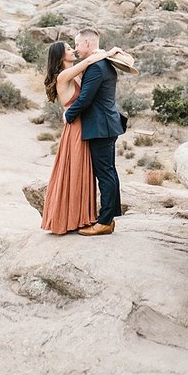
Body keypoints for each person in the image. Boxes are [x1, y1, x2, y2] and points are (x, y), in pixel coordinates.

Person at [40, 40, 113, 234]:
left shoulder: (75, 75)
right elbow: (89, 62)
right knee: (75, 171)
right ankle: (70, 218)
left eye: (73, 47)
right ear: (60, 56)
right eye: (68, 49)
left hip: (84, 125)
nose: (73, 51)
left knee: (83, 171)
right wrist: (109, 51)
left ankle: (81, 216)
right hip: (76, 129)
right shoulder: (63, 75)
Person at [64, 28, 126, 236]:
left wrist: (68, 115)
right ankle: (109, 218)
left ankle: (105, 222)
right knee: (109, 172)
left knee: (105, 174)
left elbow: (85, 99)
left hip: (101, 127)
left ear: (88, 44)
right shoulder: (104, 63)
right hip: (107, 124)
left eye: (78, 44)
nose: (76, 49)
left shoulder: (96, 67)